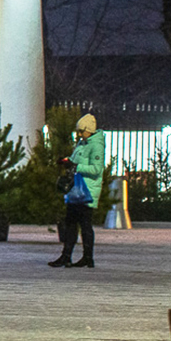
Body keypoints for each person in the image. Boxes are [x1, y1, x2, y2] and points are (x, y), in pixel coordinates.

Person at [49, 113, 105, 268]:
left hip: (87, 191)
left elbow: (96, 169)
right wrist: (67, 161)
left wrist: (75, 166)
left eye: (82, 131)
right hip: (76, 190)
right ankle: (67, 256)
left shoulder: (96, 145)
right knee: (71, 223)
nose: (79, 135)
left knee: (85, 224)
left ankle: (87, 257)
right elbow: (77, 162)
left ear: (89, 130)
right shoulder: (82, 143)